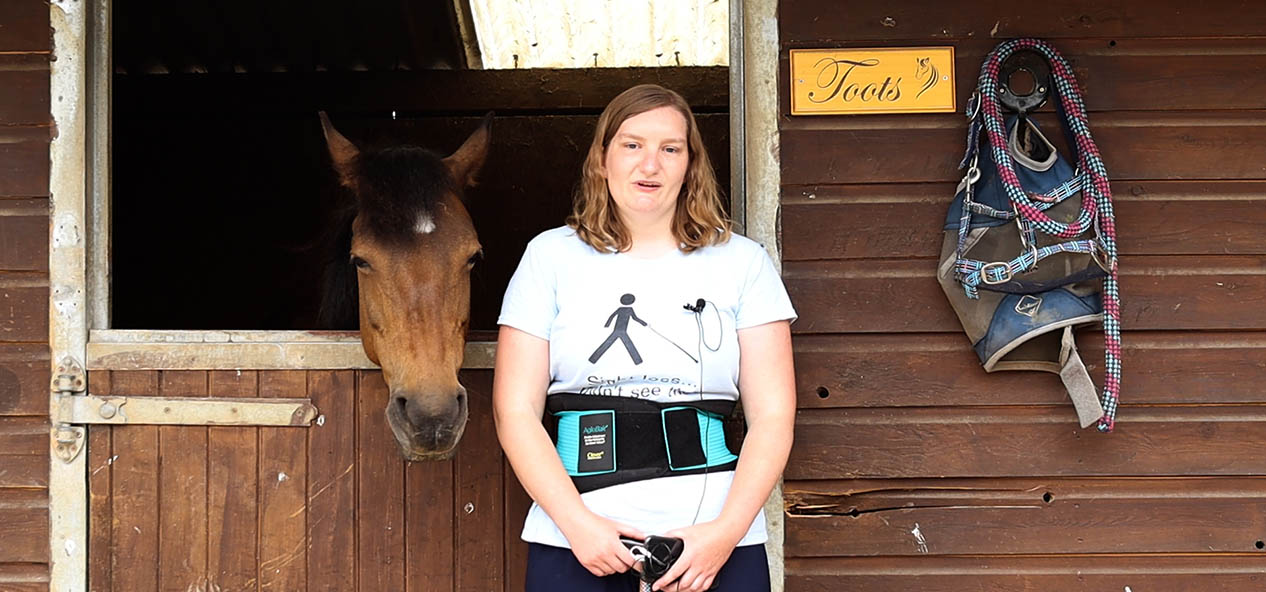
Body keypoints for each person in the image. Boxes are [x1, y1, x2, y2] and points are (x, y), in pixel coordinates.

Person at [493, 84, 796, 592]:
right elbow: (514, 412)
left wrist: (723, 535)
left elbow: (773, 415)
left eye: (669, 148)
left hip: (713, 545)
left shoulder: (743, 262)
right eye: (632, 145)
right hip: (578, 541)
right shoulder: (550, 257)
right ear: (602, 159)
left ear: (690, 163)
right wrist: (578, 526)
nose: (649, 165)